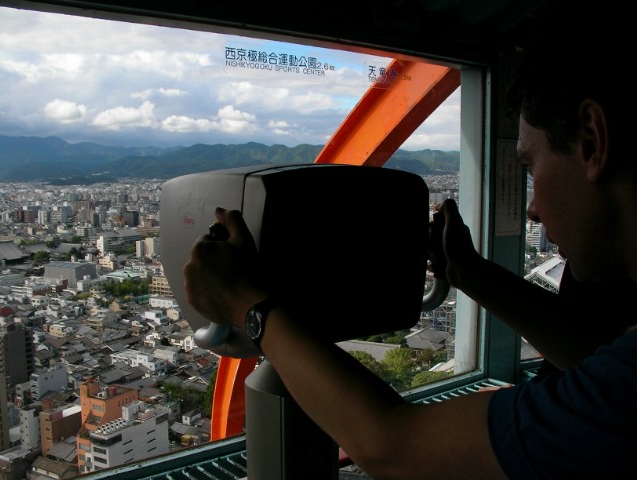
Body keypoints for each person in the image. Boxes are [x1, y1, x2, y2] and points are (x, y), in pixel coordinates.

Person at [183, 5, 636, 479]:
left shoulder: (622, 397)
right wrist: (467, 272)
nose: (532, 209)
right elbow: (594, 352)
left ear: (591, 141)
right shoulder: (621, 373)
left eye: (530, 167)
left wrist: (249, 306)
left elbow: (392, 446)